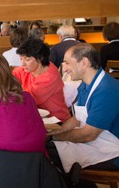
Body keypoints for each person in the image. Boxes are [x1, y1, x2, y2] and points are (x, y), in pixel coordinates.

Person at [48, 43, 119, 172]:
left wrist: (53, 138)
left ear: (84, 62)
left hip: (112, 152)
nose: (64, 69)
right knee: (48, 148)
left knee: (50, 153)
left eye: (67, 63)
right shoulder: (85, 84)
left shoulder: (106, 89)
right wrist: (53, 133)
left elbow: (89, 134)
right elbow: (77, 119)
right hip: (98, 143)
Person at [13, 38, 71, 122]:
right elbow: (9, 77)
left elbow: (26, 99)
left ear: (40, 58)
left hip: (56, 120)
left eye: (27, 59)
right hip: (37, 117)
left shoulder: (49, 76)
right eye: (21, 59)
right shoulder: (28, 68)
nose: (23, 64)